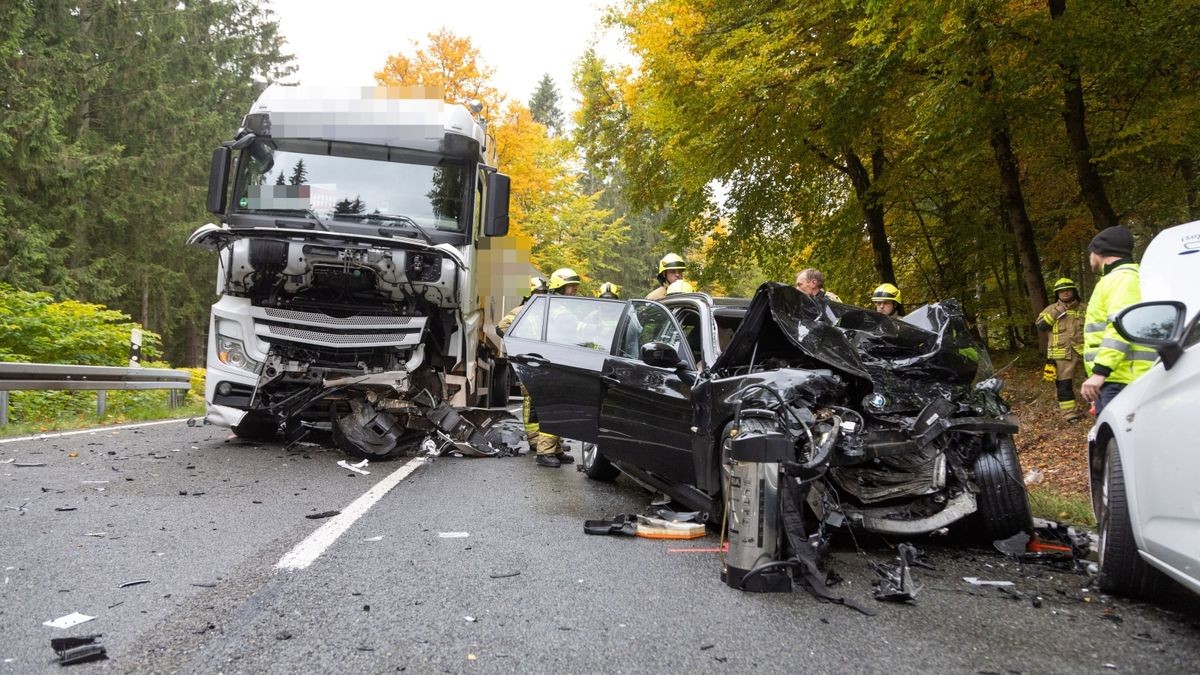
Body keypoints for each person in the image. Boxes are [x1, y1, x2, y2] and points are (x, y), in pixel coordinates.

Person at [1081, 226, 1156, 415]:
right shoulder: (1122, 278)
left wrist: (1100, 373)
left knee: (1116, 444)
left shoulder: (1122, 278)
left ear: (1098, 252)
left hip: (1121, 379)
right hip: (1116, 378)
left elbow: (1121, 326)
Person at [528, 267, 584, 468]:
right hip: (553, 364)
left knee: (562, 407)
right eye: (570, 287)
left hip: (562, 363)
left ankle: (556, 449)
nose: (574, 290)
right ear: (559, 287)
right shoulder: (558, 311)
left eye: (575, 286)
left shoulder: (561, 307)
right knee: (554, 407)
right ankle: (544, 452)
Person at [1036, 277, 1087, 422]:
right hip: (1061, 354)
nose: (1065, 292)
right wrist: (1056, 313)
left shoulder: (1085, 308)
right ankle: (1069, 414)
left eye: (1068, 289)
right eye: (1061, 291)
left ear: (1074, 291)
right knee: (1064, 385)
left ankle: (1098, 408)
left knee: (1096, 380)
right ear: (1057, 294)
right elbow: (1041, 327)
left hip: (1086, 351)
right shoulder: (1050, 309)